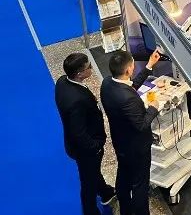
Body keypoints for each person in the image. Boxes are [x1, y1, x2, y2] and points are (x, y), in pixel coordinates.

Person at [100, 50, 161, 215]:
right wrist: (153, 108)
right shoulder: (128, 99)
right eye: (132, 65)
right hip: (137, 148)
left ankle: (125, 209)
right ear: (128, 70)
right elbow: (141, 125)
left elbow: (130, 86)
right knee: (140, 184)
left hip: (121, 143)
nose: (133, 67)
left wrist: (149, 66)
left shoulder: (107, 83)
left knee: (124, 176)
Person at [55, 53, 117, 215]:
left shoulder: (62, 82)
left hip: (75, 145)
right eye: (89, 67)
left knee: (91, 172)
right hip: (86, 149)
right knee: (88, 183)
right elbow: (78, 132)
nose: (91, 68)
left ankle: (105, 192)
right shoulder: (77, 101)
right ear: (79, 74)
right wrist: (95, 147)